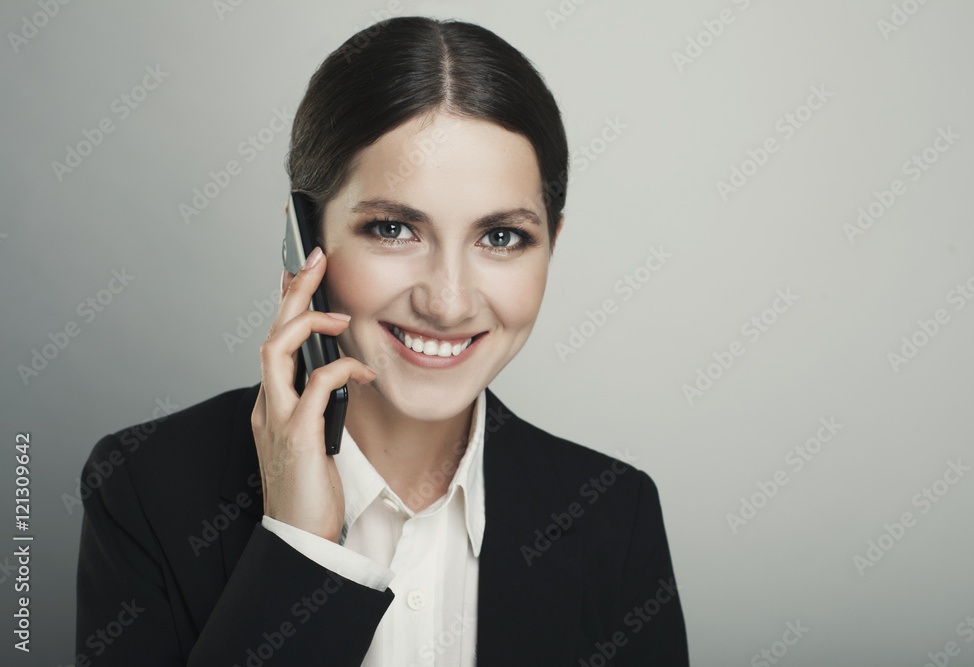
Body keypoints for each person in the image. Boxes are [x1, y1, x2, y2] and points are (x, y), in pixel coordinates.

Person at [75, 16, 688, 666]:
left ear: (551, 248)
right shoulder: (143, 490)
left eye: (501, 237)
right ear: (305, 241)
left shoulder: (614, 515)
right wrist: (299, 549)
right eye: (395, 229)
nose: (447, 301)